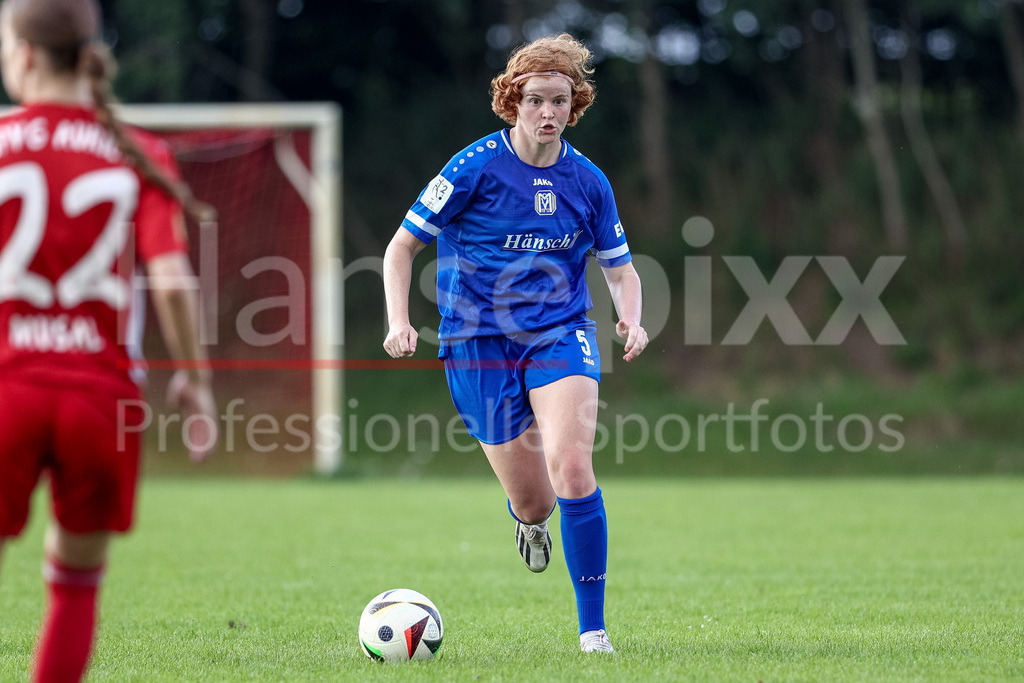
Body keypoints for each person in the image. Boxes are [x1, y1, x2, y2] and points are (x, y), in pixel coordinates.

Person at [383, 33, 647, 653]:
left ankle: (593, 632)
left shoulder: (589, 182)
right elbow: (402, 247)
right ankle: (529, 525)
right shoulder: (471, 167)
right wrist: (399, 321)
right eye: (535, 100)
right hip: (476, 341)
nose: (548, 112)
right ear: (512, 102)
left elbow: (620, 268)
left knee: (573, 468)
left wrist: (632, 319)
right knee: (534, 501)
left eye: (560, 100)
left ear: (575, 105)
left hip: (561, 332)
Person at [0, 0, 217, 680]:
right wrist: (197, 379)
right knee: (74, 583)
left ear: (25, 55)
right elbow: (175, 283)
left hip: (7, 388)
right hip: (100, 401)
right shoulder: (138, 151)